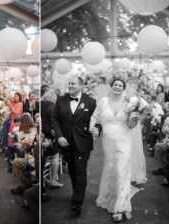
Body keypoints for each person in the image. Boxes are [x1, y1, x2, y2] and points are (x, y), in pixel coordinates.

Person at [90, 78, 140, 222]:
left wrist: (135, 117)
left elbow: (131, 125)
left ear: (123, 88)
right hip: (108, 141)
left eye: (120, 85)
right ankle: (110, 197)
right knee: (111, 168)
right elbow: (95, 117)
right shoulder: (103, 101)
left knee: (122, 170)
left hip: (124, 140)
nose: (117, 87)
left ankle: (121, 207)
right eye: (115, 85)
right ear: (111, 87)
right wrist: (92, 129)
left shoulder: (128, 103)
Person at [51, 75, 99, 215]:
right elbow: (54, 119)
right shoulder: (61, 100)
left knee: (80, 170)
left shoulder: (91, 102)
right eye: (69, 83)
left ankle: (77, 202)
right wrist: (59, 136)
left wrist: (97, 130)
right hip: (65, 143)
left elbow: (98, 119)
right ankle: (76, 193)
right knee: (72, 170)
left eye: (73, 83)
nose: (70, 85)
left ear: (81, 85)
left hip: (83, 142)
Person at [41, 89, 63, 188]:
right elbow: (54, 124)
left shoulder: (40, 104)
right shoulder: (52, 107)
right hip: (48, 136)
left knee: (43, 155)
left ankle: (42, 177)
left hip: (40, 136)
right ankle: (53, 180)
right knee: (55, 155)